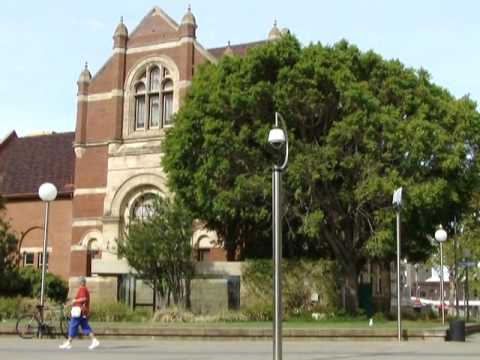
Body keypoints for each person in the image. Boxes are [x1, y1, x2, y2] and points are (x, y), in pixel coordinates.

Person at [59, 277, 100, 350]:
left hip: (79, 311)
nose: (79, 283)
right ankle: (94, 340)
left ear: (81, 283)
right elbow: (80, 300)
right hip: (82, 311)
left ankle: (68, 342)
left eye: (79, 282)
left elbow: (83, 299)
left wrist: (75, 301)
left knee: (73, 325)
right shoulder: (85, 289)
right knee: (85, 327)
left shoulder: (82, 289)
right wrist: (69, 304)